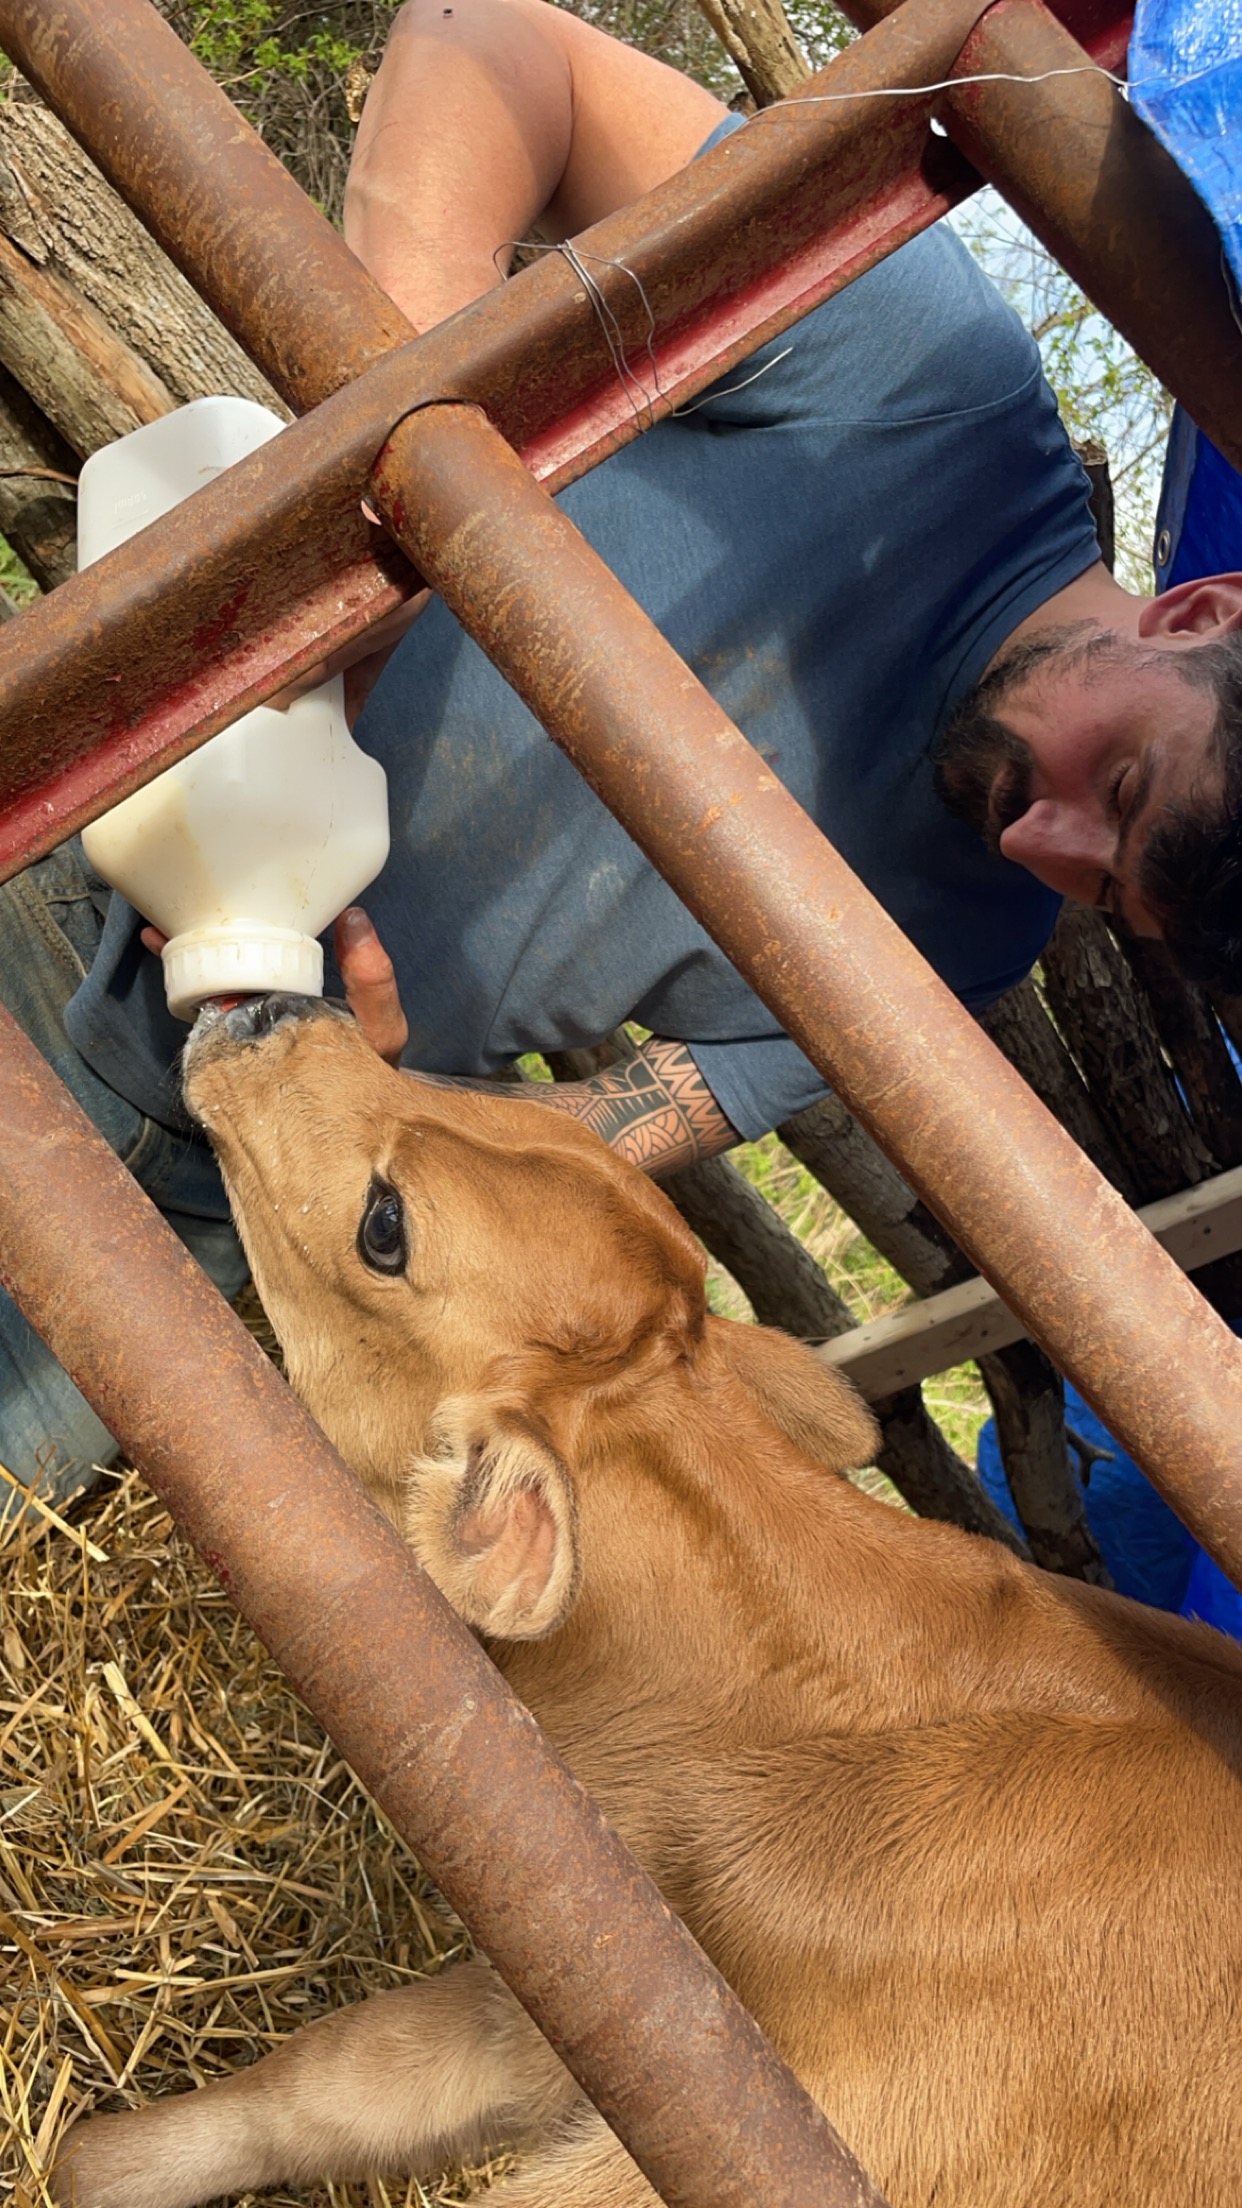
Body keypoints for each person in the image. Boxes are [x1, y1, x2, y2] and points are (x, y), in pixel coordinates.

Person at [5, 0, 1242, 1512]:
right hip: (60, 821)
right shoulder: (930, 383)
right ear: (1191, 610)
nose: (1040, 848)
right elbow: (493, 52)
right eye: (1114, 787)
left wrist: (388, 1091)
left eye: (1104, 891)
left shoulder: (970, 935)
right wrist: (372, 512)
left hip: (211, 1196)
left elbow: (625, 1124)